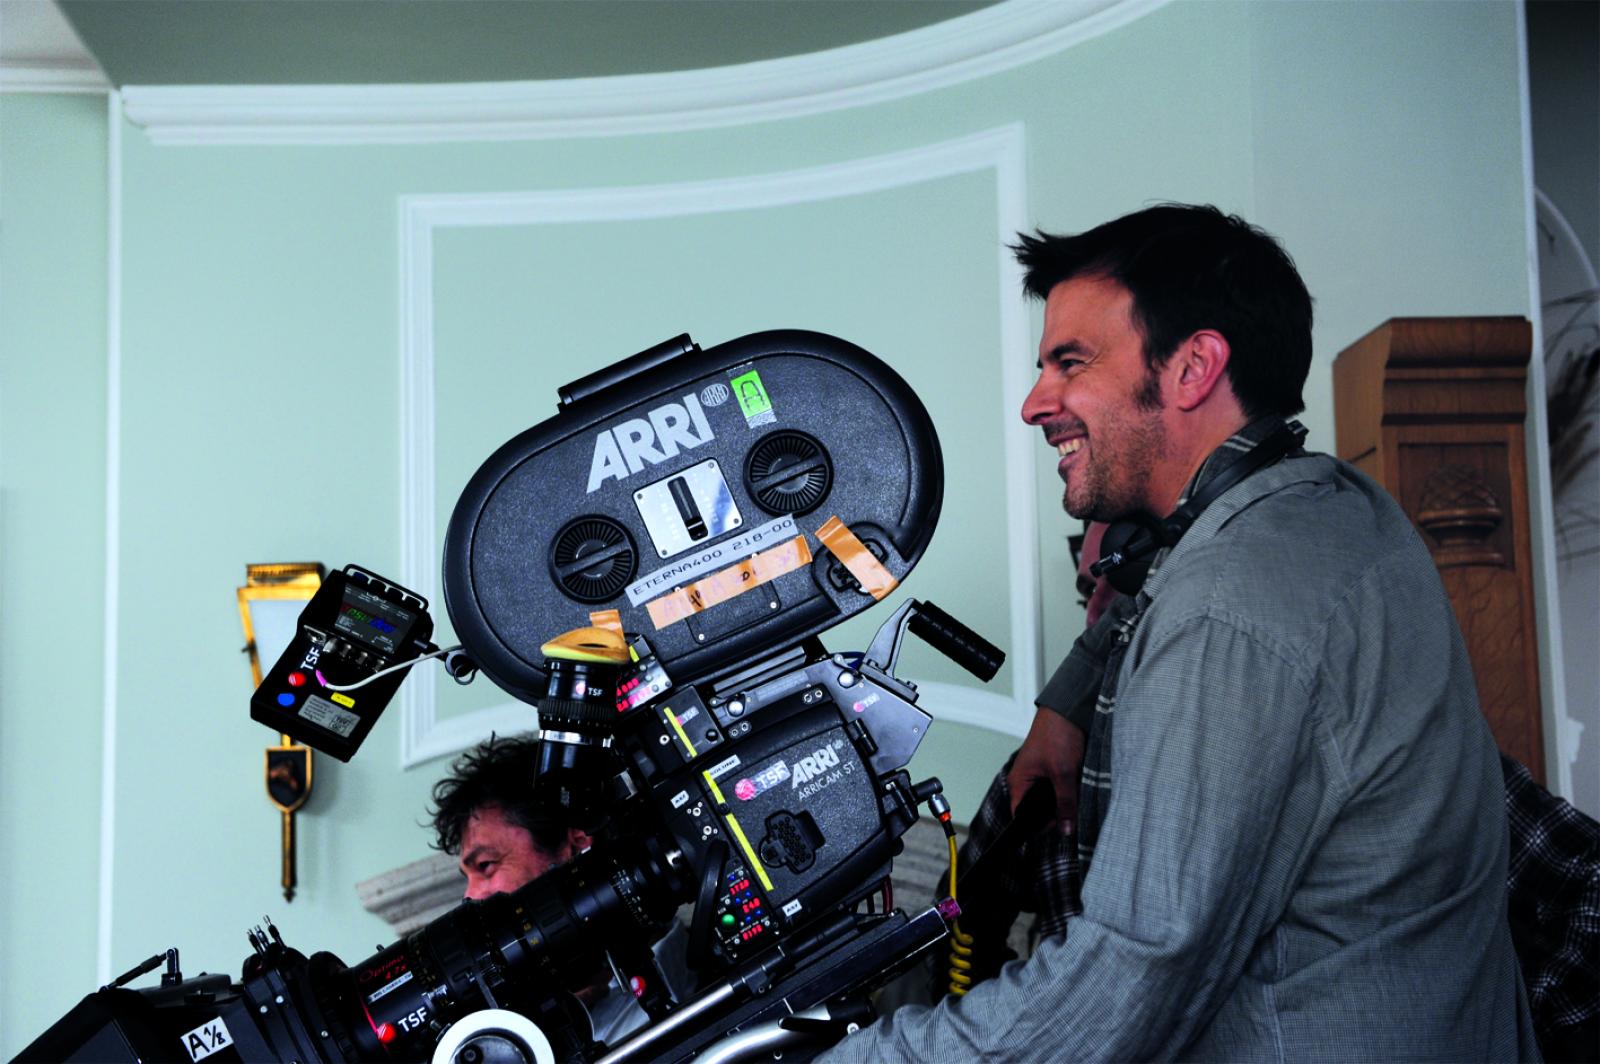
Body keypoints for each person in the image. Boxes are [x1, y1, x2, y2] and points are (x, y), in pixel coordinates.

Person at [824, 204, 1539, 1060]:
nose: (1035, 403)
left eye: (1070, 362)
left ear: (1194, 367)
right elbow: (1150, 594)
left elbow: (1124, 985)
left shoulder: (1227, 607)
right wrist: (1065, 705)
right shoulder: (1328, 510)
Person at [429, 733, 692, 1045]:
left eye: (486, 864)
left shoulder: (692, 975)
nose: (470, 896)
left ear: (578, 842)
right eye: (468, 877)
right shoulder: (518, 1029)